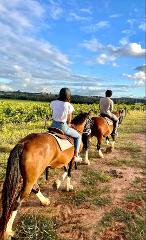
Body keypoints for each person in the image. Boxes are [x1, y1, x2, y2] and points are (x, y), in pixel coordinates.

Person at [50, 88, 82, 162]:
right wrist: (69, 124)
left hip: (53, 125)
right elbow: (69, 119)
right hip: (62, 127)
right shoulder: (68, 105)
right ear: (68, 96)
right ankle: (76, 155)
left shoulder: (53, 102)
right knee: (78, 136)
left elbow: (54, 111)